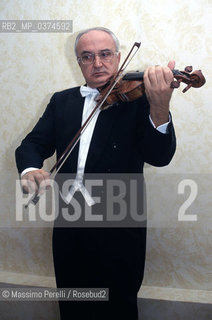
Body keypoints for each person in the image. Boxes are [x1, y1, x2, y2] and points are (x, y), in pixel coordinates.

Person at [15, 27, 176, 320]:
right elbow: (32, 144)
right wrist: (29, 169)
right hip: (69, 225)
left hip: (119, 226)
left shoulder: (140, 99)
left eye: (104, 54)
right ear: (78, 63)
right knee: (73, 306)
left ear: (117, 57)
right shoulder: (61, 102)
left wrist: (160, 106)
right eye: (87, 57)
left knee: (119, 308)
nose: (97, 63)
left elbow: (160, 156)